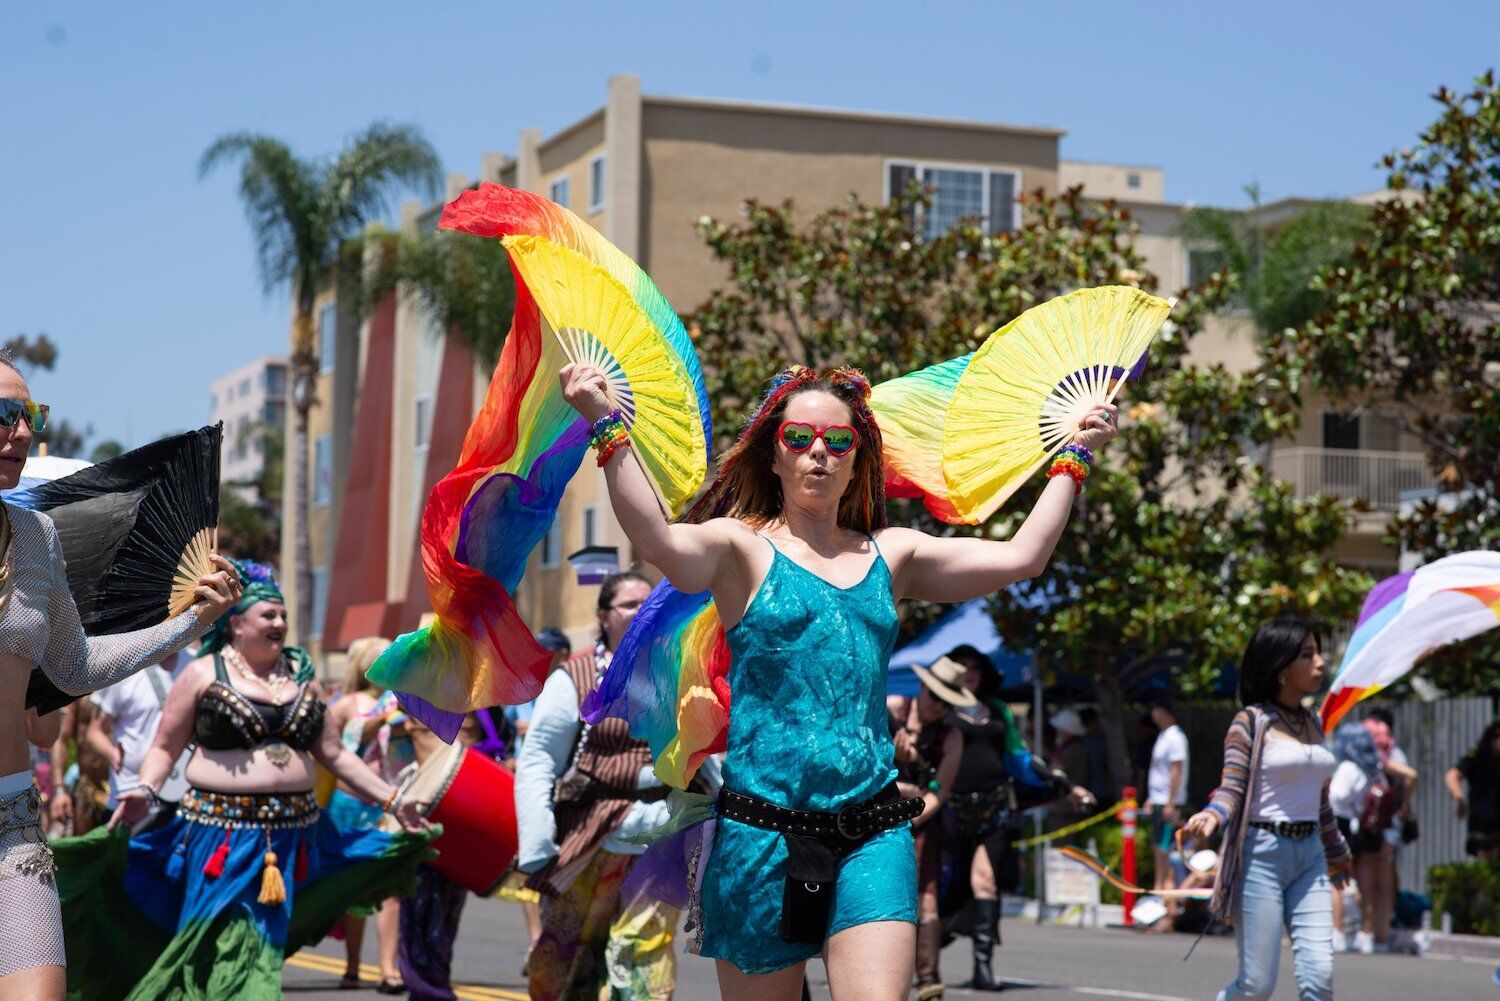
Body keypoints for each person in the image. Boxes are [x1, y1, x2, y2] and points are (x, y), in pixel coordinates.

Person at [561, 359, 1118, 1001]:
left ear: (859, 459)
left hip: (871, 828)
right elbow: (659, 541)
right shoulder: (738, 549)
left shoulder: (895, 554)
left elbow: (1023, 558)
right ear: (774, 456)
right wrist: (606, 424)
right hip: (758, 833)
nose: (818, 453)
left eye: (838, 441)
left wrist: (1073, 451)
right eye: (799, 439)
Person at [53, 563, 433, 1000]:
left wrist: (393, 799)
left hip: (294, 838)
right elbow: (164, 746)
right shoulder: (203, 673)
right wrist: (145, 788)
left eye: (283, 615)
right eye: (268, 615)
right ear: (236, 624)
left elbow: (335, 754)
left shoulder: (299, 677)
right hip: (221, 840)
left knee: (259, 949)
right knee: (221, 947)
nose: (280, 623)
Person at [0, 352, 243, 1001]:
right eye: (5, 414)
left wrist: (188, 626)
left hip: (12, 823)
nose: (21, 431)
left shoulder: (34, 535)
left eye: (30, 415)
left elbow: (75, 664)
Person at [515, 572, 681, 1001]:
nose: (643, 610)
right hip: (591, 833)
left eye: (650, 601)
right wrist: (536, 843)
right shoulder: (576, 676)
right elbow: (538, 761)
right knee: (566, 965)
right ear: (604, 617)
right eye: (629, 604)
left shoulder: (681, 670)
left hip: (658, 837)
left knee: (645, 958)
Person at [1183, 616, 1351, 1001]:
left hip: (1310, 856)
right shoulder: (1250, 723)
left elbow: (1319, 799)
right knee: (1257, 986)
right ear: (1279, 667)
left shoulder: (1312, 721)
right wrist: (1213, 814)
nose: (1321, 663)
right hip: (1262, 856)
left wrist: (1337, 849)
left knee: (1320, 977)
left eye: (1318, 653)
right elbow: (1232, 788)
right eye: (1308, 655)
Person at [941, 644, 1086, 990]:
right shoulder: (941, 709)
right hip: (947, 812)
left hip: (993, 810)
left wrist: (1063, 785)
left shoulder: (998, 710)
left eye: (975, 666)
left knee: (985, 881)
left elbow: (1018, 757)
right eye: (962, 666)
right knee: (940, 892)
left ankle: (983, 968)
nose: (969, 672)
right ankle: (923, 956)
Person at [323, 635, 405, 992]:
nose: (389, 661)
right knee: (354, 889)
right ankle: (353, 965)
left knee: (389, 888)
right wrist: (389, 714)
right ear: (363, 665)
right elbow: (344, 745)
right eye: (381, 656)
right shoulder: (345, 705)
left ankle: (389, 968)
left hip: (388, 803)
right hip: (348, 806)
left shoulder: (403, 701)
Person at [894, 656, 967, 1001]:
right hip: (872, 817)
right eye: (934, 695)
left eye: (946, 701)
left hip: (922, 824)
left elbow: (940, 792)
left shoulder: (952, 736)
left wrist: (912, 814)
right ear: (922, 687)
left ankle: (928, 980)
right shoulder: (893, 709)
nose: (937, 705)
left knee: (927, 903)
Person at [1327, 719, 1414, 954]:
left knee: (1336, 880)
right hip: (1366, 829)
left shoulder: (1348, 768)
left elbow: (1337, 798)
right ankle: (1368, 933)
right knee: (1368, 883)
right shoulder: (1374, 768)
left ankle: (1337, 932)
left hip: (1341, 825)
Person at [89, 651, 193, 831]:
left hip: (180, 800)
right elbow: (95, 732)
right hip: (127, 800)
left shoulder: (196, 665)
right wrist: (112, 754)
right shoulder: (126, 669)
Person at [1146, 695, 1189, 930]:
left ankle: (1167, 909)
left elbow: (1176, 770)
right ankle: (1161, 903)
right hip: (1160, 800)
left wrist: (1171, 802)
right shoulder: (1164, 736)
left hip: (1169, 802)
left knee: (1166, 852)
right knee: (1159, 852)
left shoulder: (1175, 737)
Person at [48, 697, 112, 836]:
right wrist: (59, 790)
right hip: (88, 793)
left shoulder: (136, 681)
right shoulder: (80, 687)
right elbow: (61, 738)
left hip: (128, 790)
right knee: (86, 853)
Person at [1446, 719, 1500, 859]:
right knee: (1486, 858)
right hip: (1482, 817)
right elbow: (1452, 776)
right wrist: (1459, 798)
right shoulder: (1476, 758)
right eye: (1496, 736)